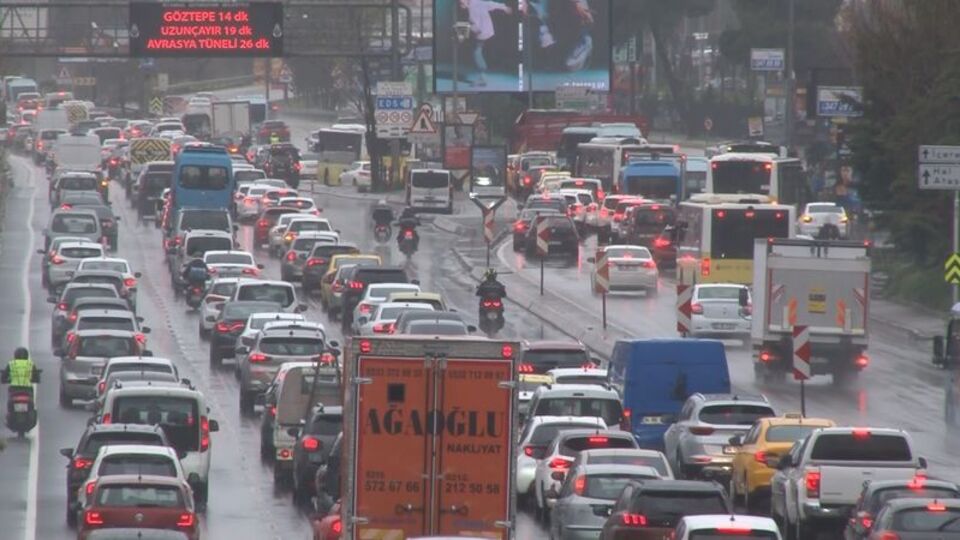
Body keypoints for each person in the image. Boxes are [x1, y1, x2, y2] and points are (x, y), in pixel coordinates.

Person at [459, 0, 513, 87]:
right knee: (477, 51)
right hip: (483, 31)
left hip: (482, 32)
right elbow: (490, 4)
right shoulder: (473, 5)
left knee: (476, 53)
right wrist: (504, 7)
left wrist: (504, 7)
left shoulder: (475, 5)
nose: (460, 3)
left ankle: (482, 77)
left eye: (461, 2)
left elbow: (490, 4)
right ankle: (483, 76)